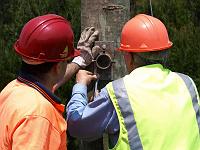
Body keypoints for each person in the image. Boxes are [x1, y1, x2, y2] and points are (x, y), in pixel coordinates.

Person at [66, 14, 200, 150]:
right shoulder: (187, 84)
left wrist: (80, 86)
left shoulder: (119, 92)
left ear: (128, 56)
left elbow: (77, 126)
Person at [0, 14, 98, 149]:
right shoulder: (39, 115)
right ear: (58, 68)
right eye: (65, 61)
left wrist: (78, 61)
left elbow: (51, 80)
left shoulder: (13, 90)